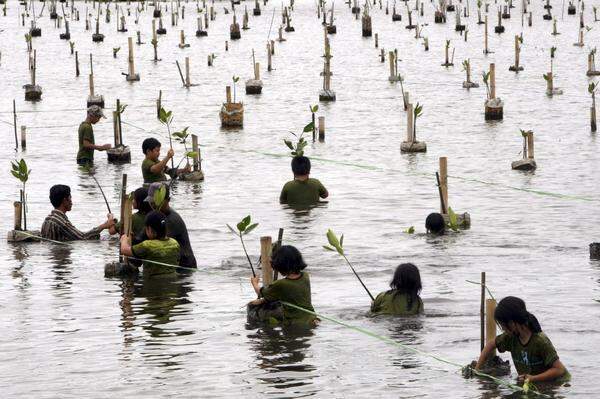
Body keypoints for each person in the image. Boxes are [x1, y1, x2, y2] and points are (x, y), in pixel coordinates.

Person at [474, 296, 570, 384]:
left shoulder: (540, 341)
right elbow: (490, 344)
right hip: (532, 383)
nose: (503, 329)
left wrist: (533, 378)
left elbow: (559, 369)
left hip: (557, 384)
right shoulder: (510, 338)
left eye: (503, 326)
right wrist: (477, 370)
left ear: (512, 323)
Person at [250, 245, 317, 325]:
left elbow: (262, 293)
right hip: (312, 318)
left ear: (280, 264)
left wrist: (254, 283)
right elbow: (292, 295)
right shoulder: (305, 276)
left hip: (296, 323)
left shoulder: (281, 284)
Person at [142, 183, 197, 268]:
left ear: (168, 200)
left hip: (184, 267)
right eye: (151, 202)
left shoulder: (171, 220)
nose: (153, 204)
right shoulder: (157, 216)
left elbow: (158, 245)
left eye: (156, 201)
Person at [41, 184, 115, 241]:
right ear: (64, 200)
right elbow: (82, 237)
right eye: (70, 198)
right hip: (60, 255)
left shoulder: (47, 219)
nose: (71, 202)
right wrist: (105, 225)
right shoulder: (61, 221)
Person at [120, 211, 180, 277]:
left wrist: (124, 239)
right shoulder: (174, 243)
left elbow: (124, 250)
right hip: (172, 282)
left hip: (152, 284)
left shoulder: (147, 245)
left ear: (150, 229)